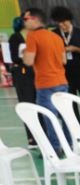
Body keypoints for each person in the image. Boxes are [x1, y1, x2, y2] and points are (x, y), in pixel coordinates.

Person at [22, 7, 69, 154]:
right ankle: (70, 145)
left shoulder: (32, 36)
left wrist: (24, 53)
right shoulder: (56, 37)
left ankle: (55, 148)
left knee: (50, 118)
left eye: (25, 19)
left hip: (45, 84)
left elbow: (29, 61)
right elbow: (64, 60)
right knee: (66, 116)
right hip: (62, 81)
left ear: (35, 19)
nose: (24, 22)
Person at [50, 6, 80, 128]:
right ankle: (77, 129)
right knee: (70, 104)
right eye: (59, 23)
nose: (62, 25)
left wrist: (75, 49)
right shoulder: (54, 34)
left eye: (64, 22)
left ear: (70, 20)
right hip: (64, 75)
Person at [9, 16, 38, 145]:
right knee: (28, 104)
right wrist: (27, 55)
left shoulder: (35, 35)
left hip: (37, 74)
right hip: (23, 75)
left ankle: (43, 134)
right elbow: (14, 58)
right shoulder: (15, 37)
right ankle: (32, 136)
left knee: (40, 105)